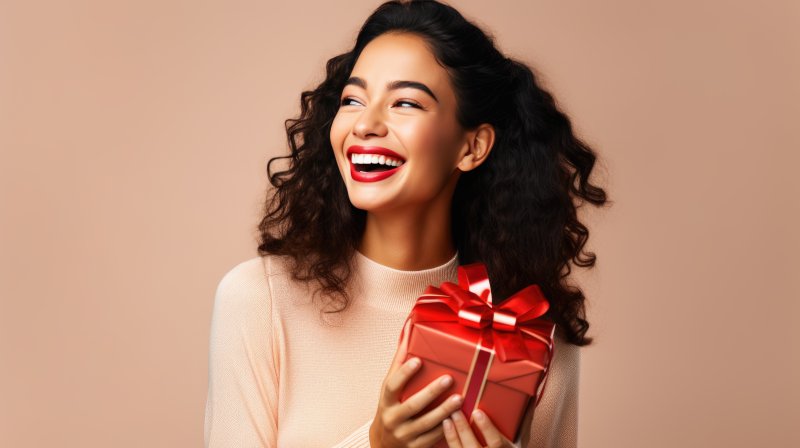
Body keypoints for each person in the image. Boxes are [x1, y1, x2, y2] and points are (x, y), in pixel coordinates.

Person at [204, 1, 607, 447]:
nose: (366, 124)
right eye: (352, 100)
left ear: (472, 148)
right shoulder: (260, 300)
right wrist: (377, 444)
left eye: (405, 103)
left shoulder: (529, 331)